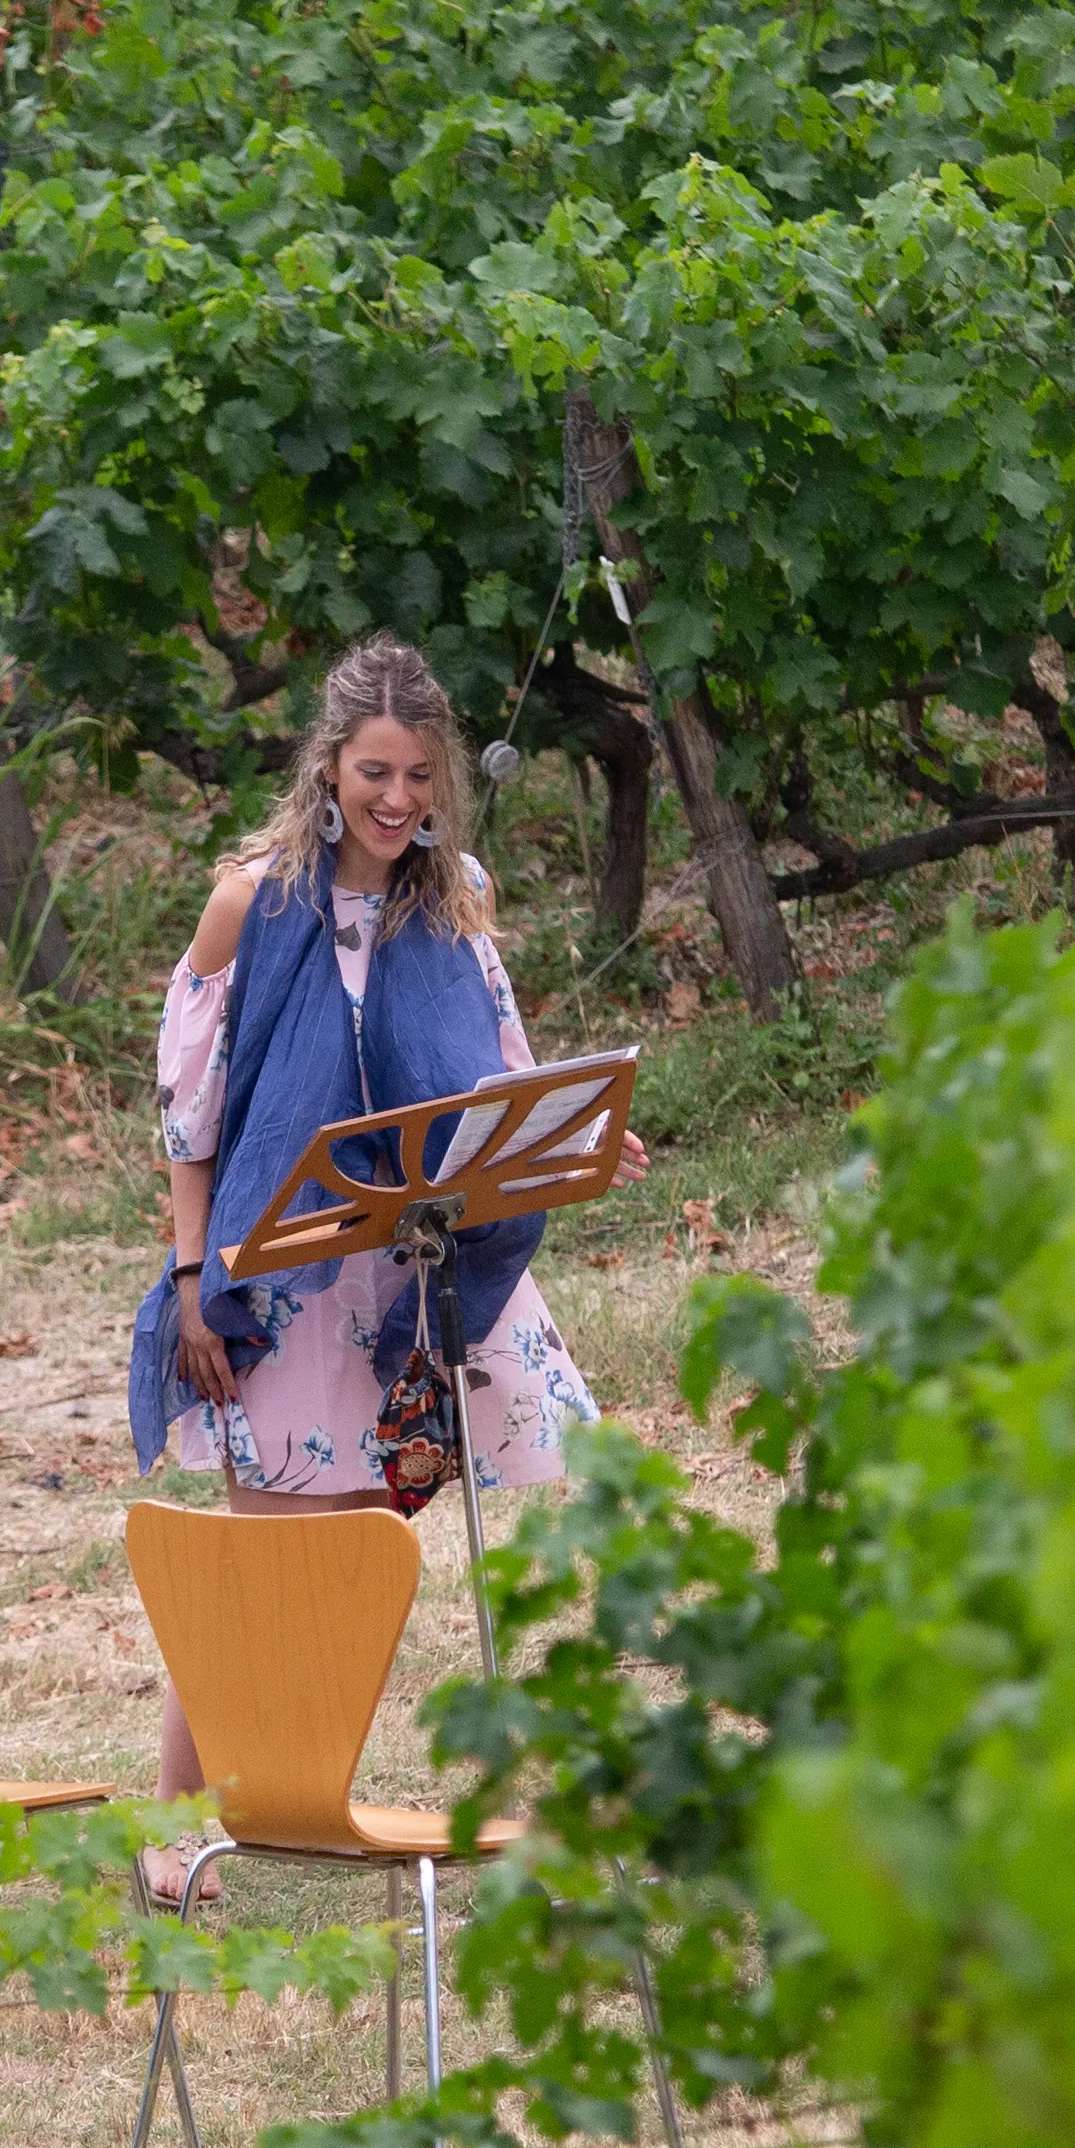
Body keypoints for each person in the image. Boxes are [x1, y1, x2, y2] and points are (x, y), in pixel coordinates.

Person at [127, 637, 634, 1797]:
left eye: (418, 777)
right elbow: (188, 1124)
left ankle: (435, 1803)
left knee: (458, 1523)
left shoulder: (459, 899)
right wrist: (196, 1277)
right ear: (328, 768)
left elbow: (499, 1084)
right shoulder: (248, 905)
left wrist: (582, 1136)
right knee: (262, 1562)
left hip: (424, 1262)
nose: (398, 801)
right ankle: (172, 1826)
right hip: (292, 1264)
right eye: (374, 774)